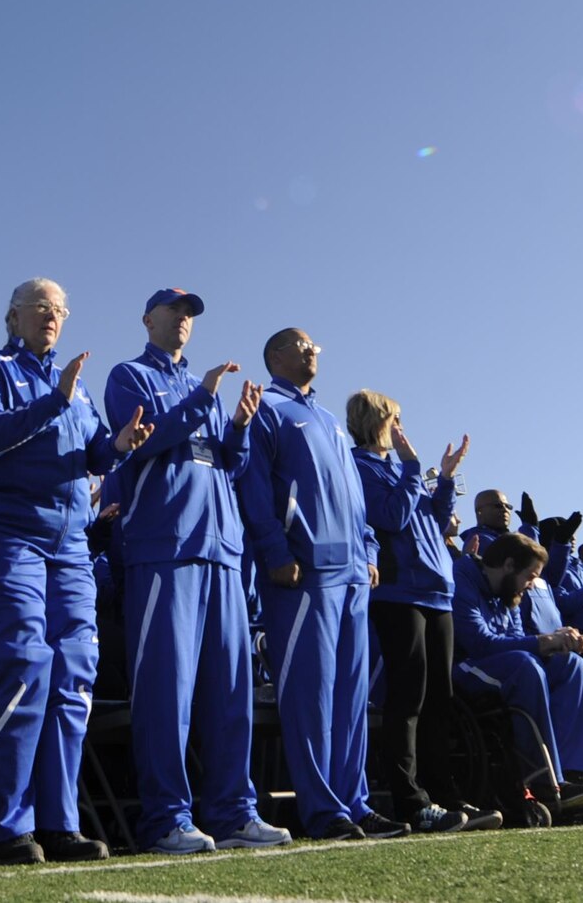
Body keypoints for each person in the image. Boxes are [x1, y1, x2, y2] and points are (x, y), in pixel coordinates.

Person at [0, 277, 153, 865]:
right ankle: (8, 830)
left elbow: (93, 451)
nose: (52, 316)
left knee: (74, 671)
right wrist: (53, 401)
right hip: (5, 534)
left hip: (68, 545)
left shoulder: (77, 386)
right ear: (13, 316)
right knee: (22, 662)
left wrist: (119, 443)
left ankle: (60, 822)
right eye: (40, 307)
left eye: (60, 309)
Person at [103, 288, 286, 854]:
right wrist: (204, 397)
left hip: (220, 549)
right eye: (174, 312)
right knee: (166, 689)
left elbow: (226, 464)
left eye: (190, 315)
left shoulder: (198, 387)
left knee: (232, 688)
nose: (184, 321)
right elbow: (146, 442)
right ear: (148, 318)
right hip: (164, 546)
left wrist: (237, 427)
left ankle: (233, 812)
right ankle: (166, 819)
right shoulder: (128, 375)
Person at [236, 328, 400, 842]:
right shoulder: (268, 409)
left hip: (352, 576)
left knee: (351, 698)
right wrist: (276, 552)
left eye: (315, 346)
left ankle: (355, 802)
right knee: (312, 695)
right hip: (305, 575)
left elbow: (355, 502)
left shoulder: (328, 421)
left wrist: (369, 550)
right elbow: (254, 487)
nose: (312, 351)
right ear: (276, 356)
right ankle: (324, 810)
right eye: (301, 345)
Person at [351, 391, 478, 834]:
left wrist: (443, 480)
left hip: (437, 593)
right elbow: (390, 517)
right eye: (395, 420)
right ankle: (411, 800)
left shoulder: (402, 470)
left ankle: (445, 795)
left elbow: (434, 520)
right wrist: (410, 470)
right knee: (408, 698)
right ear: (374, 421)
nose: (402, 430)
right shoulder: (360, 467)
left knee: (440, 700)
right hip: (398, 594)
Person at [452, 532, 583, 816]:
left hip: (505, 663)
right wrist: (543, 642)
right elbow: (478, 643)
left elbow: (516, 636)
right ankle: (542, 780)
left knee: (571, 665)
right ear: (508, 565)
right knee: (525, 665)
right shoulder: (463, 576)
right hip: (466, 667)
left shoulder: (510, 592)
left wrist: (555, 642)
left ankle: (576, 772)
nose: (531, 586)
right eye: (529, 576)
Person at [464, 490, 513, 557]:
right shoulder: (479, 541)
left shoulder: (503, 538)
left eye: (508, 506)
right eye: (498, 505)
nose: (505, 509)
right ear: (479, 511)